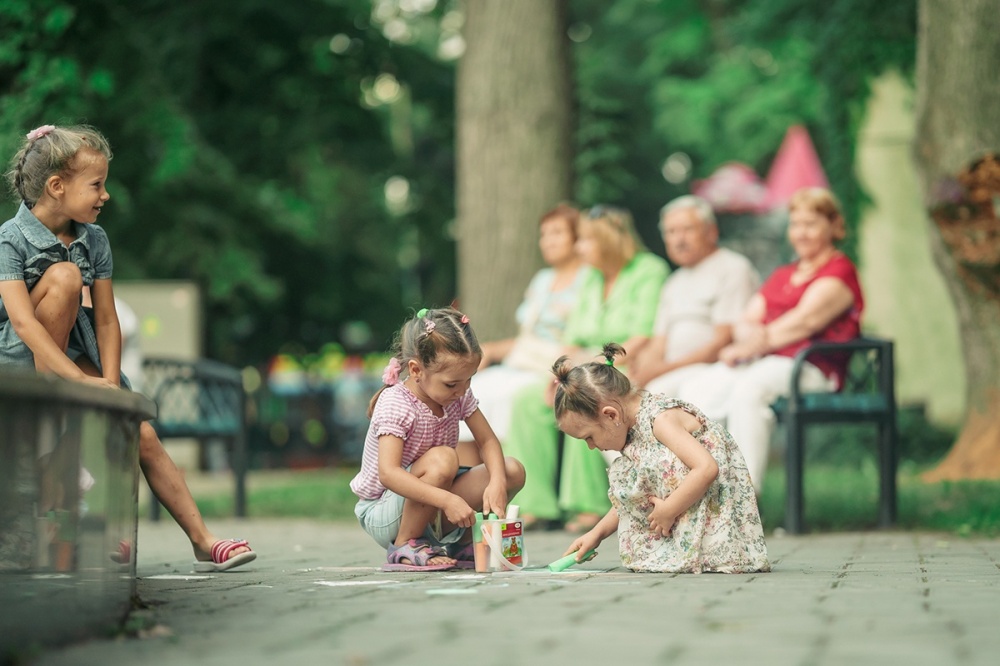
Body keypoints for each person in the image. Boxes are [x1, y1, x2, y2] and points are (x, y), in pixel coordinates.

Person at [0, 124, 255, 572]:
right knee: (63, 279)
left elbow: (104, 319)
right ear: (56, 187)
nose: (106, 195)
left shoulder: (94, 238)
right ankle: (57, 429)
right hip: (17, 354)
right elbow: (22, 320)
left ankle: (202, 538)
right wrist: (77, 382)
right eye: (96, 185)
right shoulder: (10, 239)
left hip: (76, 349)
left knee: (140, 432)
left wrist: (111, 383)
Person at [678, 187, 864, 492]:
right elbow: (745, 320)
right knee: (698, 388)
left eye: (811, 224)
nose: (801, 233)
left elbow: (805, 321)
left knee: (750, 389)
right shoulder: (784, 274)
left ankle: (745, 496)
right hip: (766, 360)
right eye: (795, 224)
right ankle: (702, 485)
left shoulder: (839, 270)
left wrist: (753, 343)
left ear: (833, 226)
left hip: (813, 367)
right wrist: (749, 338)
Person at [502, 205, 669, 532]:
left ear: (606, 240)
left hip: (624, 364)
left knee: (589, 398)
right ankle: (535, 503)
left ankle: (589, 503)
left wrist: (592, 369)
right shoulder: (592, 277)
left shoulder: (649, 269)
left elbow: (642, 335)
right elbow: (571, 336)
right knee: (527, 399)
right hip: (585, 363)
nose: (579, 248)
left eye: (586, 241)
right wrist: (562, 371)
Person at [555, 343, 769, 574]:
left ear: (610, 415)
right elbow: (634, 498)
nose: (590, 446)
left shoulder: (661, 420)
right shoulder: (633, 430)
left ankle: (710, 549)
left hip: (715, 500)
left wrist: (669, 510)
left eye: (589, 437)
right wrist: (596, 534)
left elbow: (706, 468)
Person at [350, 307, 525, 571]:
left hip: (435, 499)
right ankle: (405, 544)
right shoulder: (397, 403)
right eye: (452, 384)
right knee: (443, 459)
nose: (462, 390)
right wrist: (447, 500)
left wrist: (498, 483)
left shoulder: (459, 394)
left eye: (469, 380)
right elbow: (388, 473)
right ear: (416, 370)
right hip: (384, 511)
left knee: (511, 469)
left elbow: (488, 441)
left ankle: (463, 543)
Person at [457, 204, 585, 461]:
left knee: (508, 396)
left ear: (577, 237)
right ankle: (468, 485)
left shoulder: (589, 279)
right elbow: (526, 339)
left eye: (557, 233)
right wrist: (490, 350)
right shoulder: (542, 279)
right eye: (544, 234)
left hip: (554, 366)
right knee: (469, 392)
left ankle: (505, 482)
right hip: (522, 361)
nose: (548, 241)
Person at [628, 196, 758, 396]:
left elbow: (723, 342)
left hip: (716, 368)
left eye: (688, 230)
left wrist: (661, 371)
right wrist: (640, 374)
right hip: (674, 371)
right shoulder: (674, 282)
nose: (679, 240)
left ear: (711, 232)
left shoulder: (732, 268)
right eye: (671, 232)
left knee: (655, 393)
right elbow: (658, 343)